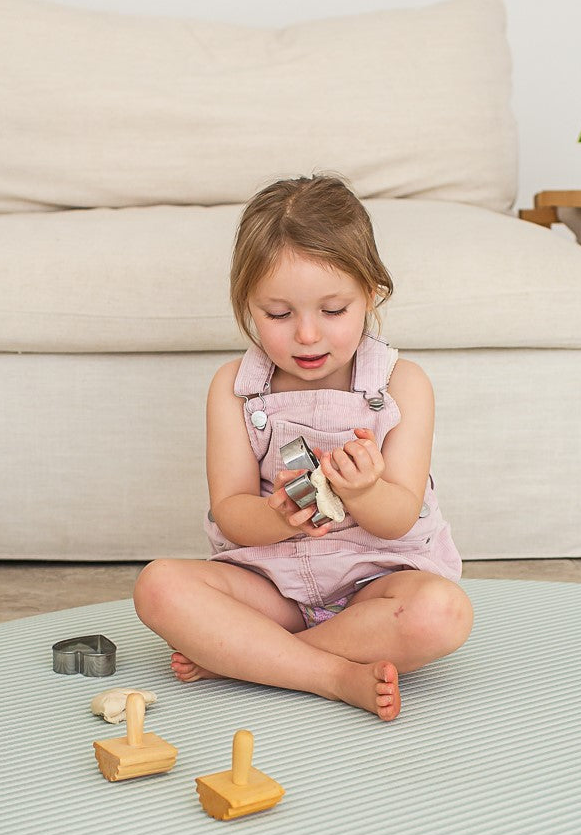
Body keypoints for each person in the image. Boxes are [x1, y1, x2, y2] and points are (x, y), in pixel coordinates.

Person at [134, 173, 473, 721]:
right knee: (159, 587)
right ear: (247, 304)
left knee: (443, 613)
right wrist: (280, 519)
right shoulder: (235, 389)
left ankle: (247, 658)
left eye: (333, 311)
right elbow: (232, 510)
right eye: (279, 314)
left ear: (371, 294)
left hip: (375, 585)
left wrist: (364, 491)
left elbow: (400, 516)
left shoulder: (402, 385)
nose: (308, 336)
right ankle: (332, 674)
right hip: (272, 588)